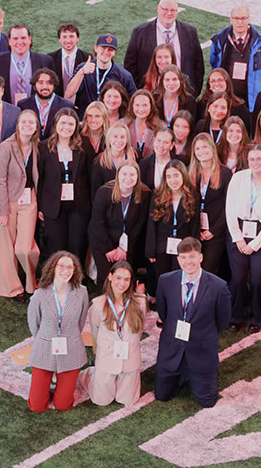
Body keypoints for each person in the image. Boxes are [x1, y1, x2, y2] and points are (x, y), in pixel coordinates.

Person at [154, 237, 231, 408]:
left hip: (201, 352)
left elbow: (222, 320)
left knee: (208, 402)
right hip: (172, 349)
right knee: (161, 396)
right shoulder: (165, 281)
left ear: (201, 257)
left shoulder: (219, 287)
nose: (188, 261)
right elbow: (164, 313)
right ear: (178, 259)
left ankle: (191, 372)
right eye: (184, 257)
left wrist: (203, 335)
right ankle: (181, 373)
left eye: (192, 256)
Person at [225, 144, 261, 333]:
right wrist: (238, 239)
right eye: (252, 159)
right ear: (247, 161)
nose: (256, 162)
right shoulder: (238, 178)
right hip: (238, 231)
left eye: (260, 158)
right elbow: (230, 209)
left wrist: (255, 244)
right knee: (239, 277)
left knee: (258, 278)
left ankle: (257, 316)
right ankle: (236, 315)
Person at [27, 251, 89, 413]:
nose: (65, 270)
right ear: (52, 268)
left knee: (63, 405)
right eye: (61, 266)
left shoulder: (82, 292)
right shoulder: (40, 294)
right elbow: (34, 324)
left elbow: (80, 322)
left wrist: (69, 336)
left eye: (70, 267)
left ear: (75, 270)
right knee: (37, 407)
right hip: (45, 348)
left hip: (71, 348)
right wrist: (46, 338)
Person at [82, 262, 148, 406]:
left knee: (127, 400)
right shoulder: (98, 305)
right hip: (106, 359)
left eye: (126, 279)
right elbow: (95, 331)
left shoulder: (140, 303)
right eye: (118, 278)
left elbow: (140, 330)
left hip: (130, 360)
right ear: (110, 277)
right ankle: (90, 373)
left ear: (131, 281)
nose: (122, 283)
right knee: (101, 401)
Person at [0, 109, 42, 300]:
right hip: (8, 201)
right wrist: (3, 211)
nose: (28, 125)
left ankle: (32, 284)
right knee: (6, 248)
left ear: (36, 127)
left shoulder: (37, 145)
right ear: (18, 125)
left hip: (29, 200)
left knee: (25, 247)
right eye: (24, 122)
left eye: (32, 123)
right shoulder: (6, 147)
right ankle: (12, 289)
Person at [38, 108, 90, 262]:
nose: (66, 127)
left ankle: (75, 278)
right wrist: (41, 205)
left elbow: (90, 175)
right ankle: (55, 277)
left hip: (79, 205)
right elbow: (40, 178)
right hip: (53, 205)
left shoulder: (84, 145)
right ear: (56, 124)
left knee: (76, 243)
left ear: (76, 126)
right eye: (63, 123)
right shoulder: (44, 147)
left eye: (71, 124)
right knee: (56, 244)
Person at [123, 0, 205, 94]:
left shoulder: (190, 32)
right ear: (158, 9)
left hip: (182, 93)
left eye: (173, 10)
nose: (169, 13)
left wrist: (193, 92)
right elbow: (130, 65)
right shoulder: (140, 32)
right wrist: (141, 92)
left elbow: (198, 65)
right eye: (165, 9)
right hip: (151, 92)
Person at [88, 162, 150, 288]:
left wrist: (124, 249)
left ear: (138, 176)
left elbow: (139, 224)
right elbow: (98, 223)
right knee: (106, 276)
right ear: (117, 175)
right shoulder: (104, 192)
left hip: (128, 242)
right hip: (102, 240)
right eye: (124, 174)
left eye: (132, 174)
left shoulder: (144, 194)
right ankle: (105, 303)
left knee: (125, 275)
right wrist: (109, 249)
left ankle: (124, 304)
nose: (128, 178)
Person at [146, 160, 198, 288]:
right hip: (162, 246)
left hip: (184, 246)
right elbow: (152, 225)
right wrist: (151, 250)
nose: (172, 180)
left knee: (180, 280)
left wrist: (195, 250)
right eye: (168, 176)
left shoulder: (193, 196)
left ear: (183, 176)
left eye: (176, 175)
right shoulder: (157, 195)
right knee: (163, 280)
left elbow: (195, 226)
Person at [188, 133, 232, 275]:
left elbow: (229, 206)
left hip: (216, 232)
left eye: (205, 147)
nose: (202, 151)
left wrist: (213, 231)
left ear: (212, 149)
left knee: (208, 268)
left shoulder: (225, 173)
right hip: (195, 231)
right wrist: (196, 230)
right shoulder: (191, 172)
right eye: (198, 148)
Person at [208, 7, 261, 105]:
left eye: (243, 18)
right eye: (236, 18)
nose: (240, 22)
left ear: (249, 19)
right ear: (231, 20)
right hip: (226, 95)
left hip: (250, 95)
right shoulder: (220, 39)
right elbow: (214, 63)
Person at [0, 23, 54, 105]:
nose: (20, 42)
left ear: (29, 39)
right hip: (6, 113)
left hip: (36, 113)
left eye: (23, 38)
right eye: (15, 38)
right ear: (9, 41)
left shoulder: (45, 61)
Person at [66, 33, 136, 112]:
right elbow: (69, 93)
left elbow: (133, 101)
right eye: (103, 47)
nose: (106, 52)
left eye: (110, 49)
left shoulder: (124, 76)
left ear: (114, 52)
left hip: (111, 121)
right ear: (96, 48)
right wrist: (82, 72)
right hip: (85, 118)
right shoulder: (82, 68)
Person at [17, 68, 74, 139]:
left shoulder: (66, 106)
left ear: (54, 85)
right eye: (41, 83)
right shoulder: (23, 105)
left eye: (49, 83)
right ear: (34, 86)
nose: (45, 87)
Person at [90, 121, 137, 195]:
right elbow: (95, 193)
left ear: (127, 139)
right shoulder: (99, 162)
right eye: (115, 136)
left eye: (122, 137)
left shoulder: (135, 156)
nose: (119, 140)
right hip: (108, 203)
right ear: (109, 138)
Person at [199, 67, 252, 132]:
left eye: (220, 80)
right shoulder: (202, 104)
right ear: (209, 85)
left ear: (227, 82)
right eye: (213, 81)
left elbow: (246, 132)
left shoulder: (239, 106)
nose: (216, 84)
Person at [47, 22, 89, 98]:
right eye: (64, 37)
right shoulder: (50, 58)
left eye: (71, 36)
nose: (68, 40)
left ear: (77, 38)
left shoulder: (87, 58)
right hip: (57, 104)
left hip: (79, 105)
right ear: (59, 39)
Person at [122, 89, 160, 157]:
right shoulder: (123, 125)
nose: (141, 109)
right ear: (132, 106)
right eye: (137, 105)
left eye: (145, 105)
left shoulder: (160, 127)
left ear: (151, 106)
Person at [139, 127, 175, 191]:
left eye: (166, 142)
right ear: (154, 141)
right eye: (158, 141)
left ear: (172, 145)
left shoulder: (181, 162)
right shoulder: (143, 164)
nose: (161, 145)